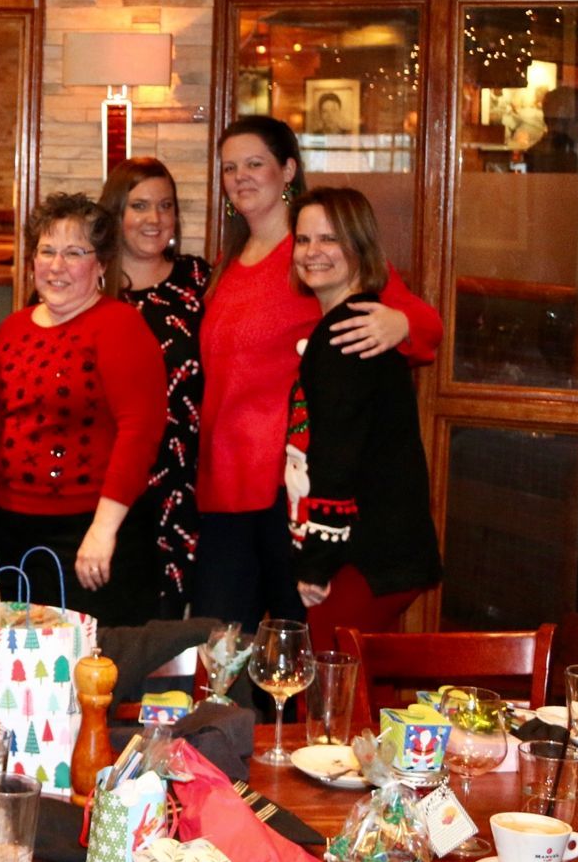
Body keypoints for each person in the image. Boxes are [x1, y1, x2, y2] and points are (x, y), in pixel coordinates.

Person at [197, 115, 442, 628]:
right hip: (224, 483)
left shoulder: (321, 253)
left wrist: (400, 323)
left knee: (293, 652)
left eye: (255, 164)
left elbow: (417, 321)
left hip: (286, 491)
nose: (241, 176)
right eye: (229, 168)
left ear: (287, 170)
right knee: (220, 644)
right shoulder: (228, 259)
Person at [0, 194, 166, 627]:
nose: (56, 265)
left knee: (90, 671)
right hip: (12, 533)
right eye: (47, 251)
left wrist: (103, 531)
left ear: (102, 264)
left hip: (89, 535)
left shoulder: (120, 325)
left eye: (74, 253)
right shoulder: (13, 327)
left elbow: (139, 431)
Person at [285, 188, 442, 651]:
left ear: (360, 247)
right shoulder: (356, 320)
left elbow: (337, 456)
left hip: (362, 556)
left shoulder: (345, 334)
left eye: (329, 239)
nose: (313, 252)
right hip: (386, 551)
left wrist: (317, 561)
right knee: (370, 688)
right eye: (303, 239)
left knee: (331, 702)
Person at [100, 158, 206, 619]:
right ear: (115, 214)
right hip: (107, 484)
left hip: (184, 482)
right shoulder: (86, 285)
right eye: (139, 205)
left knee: (169, 629)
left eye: (165, 206)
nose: (155, 218)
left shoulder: (200, 281)